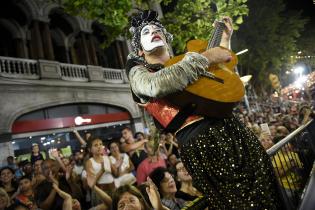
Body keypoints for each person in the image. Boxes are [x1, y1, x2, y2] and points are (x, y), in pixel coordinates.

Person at [126, 10, 283, 209]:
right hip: (201, 142)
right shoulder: (137, 71)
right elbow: (156, 85)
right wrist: (207, 57)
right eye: (146, 31)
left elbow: (225, 83)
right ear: (140, 50)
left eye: (158, 29)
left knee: (266, 188)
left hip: (232, 128)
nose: (153, 32)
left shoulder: (187, 60)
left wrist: (224, 43)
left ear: (167, 40)